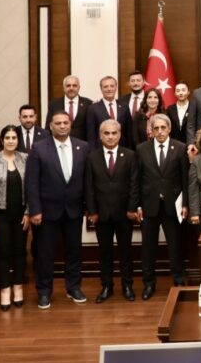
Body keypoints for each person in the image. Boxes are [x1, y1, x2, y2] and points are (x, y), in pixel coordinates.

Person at [25, 111, 88, 309]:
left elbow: (87, 180)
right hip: (46, 212)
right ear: (50, 126)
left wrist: (88, 207)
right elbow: (31, 182)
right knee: (45, 254)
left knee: (74, 252)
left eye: (65, 122)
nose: (62, 126)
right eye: (58, 123)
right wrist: (35, 210)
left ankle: (74, 288)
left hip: (74, 210)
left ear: (70, 124)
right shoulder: (39, 148)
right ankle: (44, 292)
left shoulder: (82, 146)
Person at [85, 119, 139, 303]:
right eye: (106, 133)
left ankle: (127, 285)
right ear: (100, 136)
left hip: (124, 214)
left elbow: (134, 184)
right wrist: (92, 211)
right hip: (101, 215)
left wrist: (132, 208)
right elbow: (89, 187)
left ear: (120, 134)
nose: (110, 137)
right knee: (104, 252)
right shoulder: (92, 157)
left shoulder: (130, 155)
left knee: (126, 252)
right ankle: (107, 286)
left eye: (114, 133)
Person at [136, 113, 189, 297]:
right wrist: (137, 205)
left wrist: (186, 204)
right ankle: (149, 284)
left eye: (163, 128)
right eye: (156, 128)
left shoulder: (180, 148)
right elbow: (137, 179)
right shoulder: (141, 149)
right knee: (148, 247)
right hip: (148, 204)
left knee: (175, 245)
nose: (159, 131)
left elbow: (185, 178)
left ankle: (178, 280)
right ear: (151, 130)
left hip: (172, 205)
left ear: (169, 129)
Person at [0, 125, 29, 310]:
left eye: (14, 137)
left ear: (18, 140)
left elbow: (32, 188)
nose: (11, 141)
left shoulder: (25, 158)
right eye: (7, 138)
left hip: (21, 215)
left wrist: (28, 212)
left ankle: (18, 287)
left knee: (20, 251)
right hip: (0, 214)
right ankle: (5, 290)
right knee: (3, 252)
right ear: (2, 140)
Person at [86, 75, 133, 150]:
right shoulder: (92, 108)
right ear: (101, 89)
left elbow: (129, 132)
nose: (109, 89)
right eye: (106, 87)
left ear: (116, 88)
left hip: (122, 149)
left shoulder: (124, 106)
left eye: (112, 86)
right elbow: (91, 135)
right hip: (101, 150)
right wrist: (93, 152)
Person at [46, 74, 92, 142]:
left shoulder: (88, 103)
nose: (71, 88)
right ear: (63, 88)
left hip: (82, 144)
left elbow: (91, 127)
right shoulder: (54, 104)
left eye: (74, 85)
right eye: (68, 86)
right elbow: (48, 127)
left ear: (79, 88)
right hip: (59, 142)